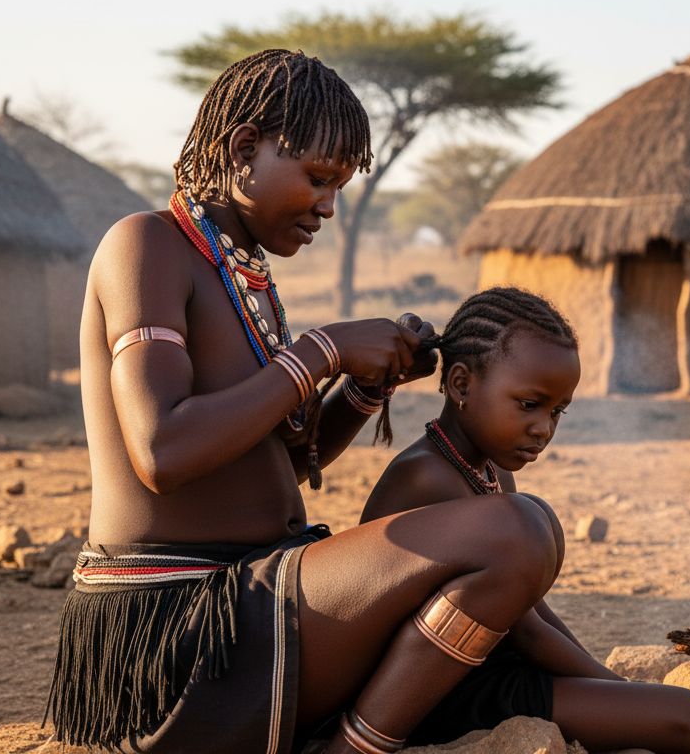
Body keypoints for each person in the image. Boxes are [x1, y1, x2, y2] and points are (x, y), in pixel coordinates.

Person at [45, 48, 641, 754]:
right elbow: (162, 453)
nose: (328, 206)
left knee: (520, 534)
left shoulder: (245, 275)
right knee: (514, 531)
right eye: (318, 178)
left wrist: (363, 387)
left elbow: (281, 464)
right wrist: (323, 351)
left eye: (340, 186)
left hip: (256, 600)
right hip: (181, 626)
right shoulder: (146, 245)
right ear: (244, 149)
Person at [359, 287, 690, 752]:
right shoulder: (426, 477)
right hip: (432, 696)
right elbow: (526, 631)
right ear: (461, 385)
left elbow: (532, 610)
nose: (544, 428)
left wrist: (610, 686)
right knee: (684, 718)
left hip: (488, 671)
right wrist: (616, 689)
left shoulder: (490, 469)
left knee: (670, 713)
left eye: (557, 411)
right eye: (529, 404)